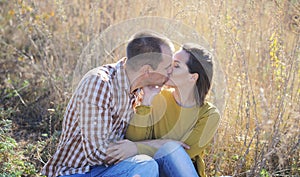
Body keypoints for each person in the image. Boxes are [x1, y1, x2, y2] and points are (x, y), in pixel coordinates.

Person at [41, 30, 174, 177]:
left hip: (107, 170)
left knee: (150, 163)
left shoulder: (139, 88)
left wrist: (147, 101)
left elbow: (130, 142)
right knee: (146, 165)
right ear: (147, 70)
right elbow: (97, 153)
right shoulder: (99, 83)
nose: (171, 72)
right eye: (167, 67)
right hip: (78, 172)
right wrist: (154, 146)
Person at [111, 43, 220, 177]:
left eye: (176, 66)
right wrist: (146, 100)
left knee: (171, 149)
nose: (168, 69)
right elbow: (133, 138)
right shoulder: (157, 98)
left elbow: (183, 153)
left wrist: (137, 148)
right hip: (151, 170)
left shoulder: (209, 114)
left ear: (193, 77)